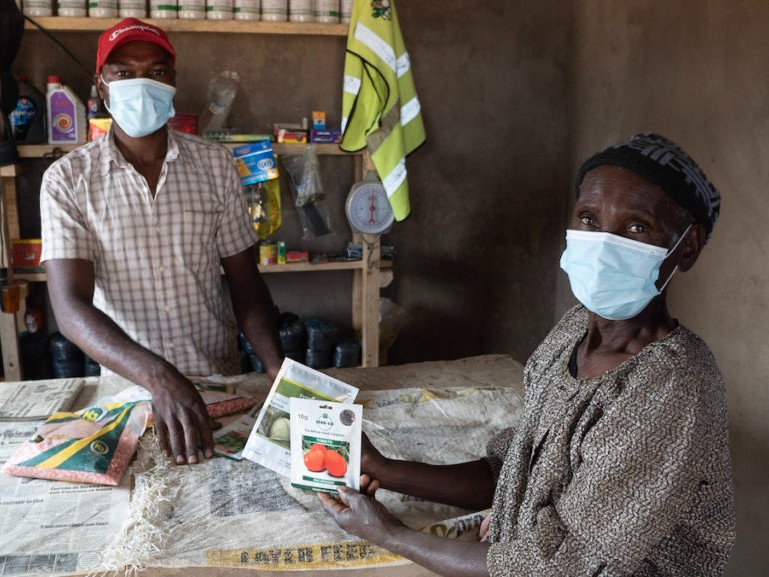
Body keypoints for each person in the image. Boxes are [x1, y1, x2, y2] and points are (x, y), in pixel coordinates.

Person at [320, 133, 736, 576]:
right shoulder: (575, 330)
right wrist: (381, 467)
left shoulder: (670, 387)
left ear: (685, 247)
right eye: (589, 219)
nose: (604, 244)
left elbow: (557, 568)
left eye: (636, 227)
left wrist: (390, 534)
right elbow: (512, 471)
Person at [39, 18, 283, 466]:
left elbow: (246, 282)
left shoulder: (215, 166)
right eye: (124, 73)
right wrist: (160, 377)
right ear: (102, 84)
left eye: (156, 71)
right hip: (127, 395)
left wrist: (275, 369)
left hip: (218, 385)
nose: (141, 84)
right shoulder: (67, 180)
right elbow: (70, 309)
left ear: (173, 82)